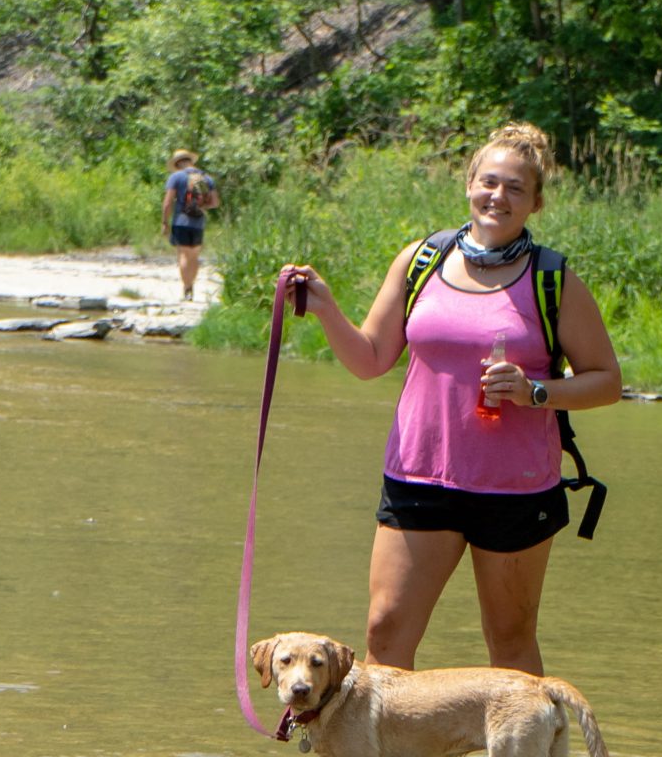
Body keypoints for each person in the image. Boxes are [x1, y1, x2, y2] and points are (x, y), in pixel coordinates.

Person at [277, 120, 621, 699]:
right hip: (417, 476)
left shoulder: (552, 278)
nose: (499, 197)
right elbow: (370, 359)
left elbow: (607, 381)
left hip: (515, 488)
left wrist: (537, 391)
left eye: (516, 188)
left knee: (509, 643)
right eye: (489, 182)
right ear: (469, 185)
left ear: (536, 201)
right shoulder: (421, 260)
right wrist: (328, 308)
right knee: (385, 634)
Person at [163, 149, 219, 301]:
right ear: (191, 161)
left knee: (183, 255)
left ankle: (187, 288)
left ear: (177, 163)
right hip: (198, 222)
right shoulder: (206, 178)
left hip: (180, 221)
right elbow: (215, 203)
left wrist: (164, 222)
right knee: (194, 256)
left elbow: (168, 202)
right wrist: (199, 207)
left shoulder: (176, 177)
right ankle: (191, 285)